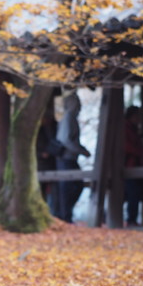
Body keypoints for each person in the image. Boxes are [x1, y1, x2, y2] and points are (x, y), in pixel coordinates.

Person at [52, 92, 90, 223]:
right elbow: (65, 140)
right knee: (67, 188)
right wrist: (81, 150)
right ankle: (65, 216)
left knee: (76, 185)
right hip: (66, 159)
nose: (79, 105)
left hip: (71, 158)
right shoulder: (68, 118)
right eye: (76, 102)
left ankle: (66, 215)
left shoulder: (71, 118)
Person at [123, 106, 143, 227]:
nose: (139, 119)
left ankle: (134, 219)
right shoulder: (126, 129)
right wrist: (142, 151)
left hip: (136, 165)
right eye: (136, 116)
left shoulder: (135, 130)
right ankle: (131, 219)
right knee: (132, 193)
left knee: (137, 193)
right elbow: (127, 146)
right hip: (129, 166)